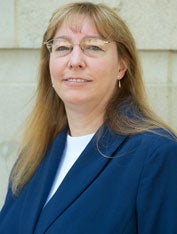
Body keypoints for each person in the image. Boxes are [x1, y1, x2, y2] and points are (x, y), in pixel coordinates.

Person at [0, 2, 177, 234]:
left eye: (93, 47)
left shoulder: (157, 154)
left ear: (121, 66)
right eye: (62, 47)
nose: (75, 61)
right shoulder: (33, 156)